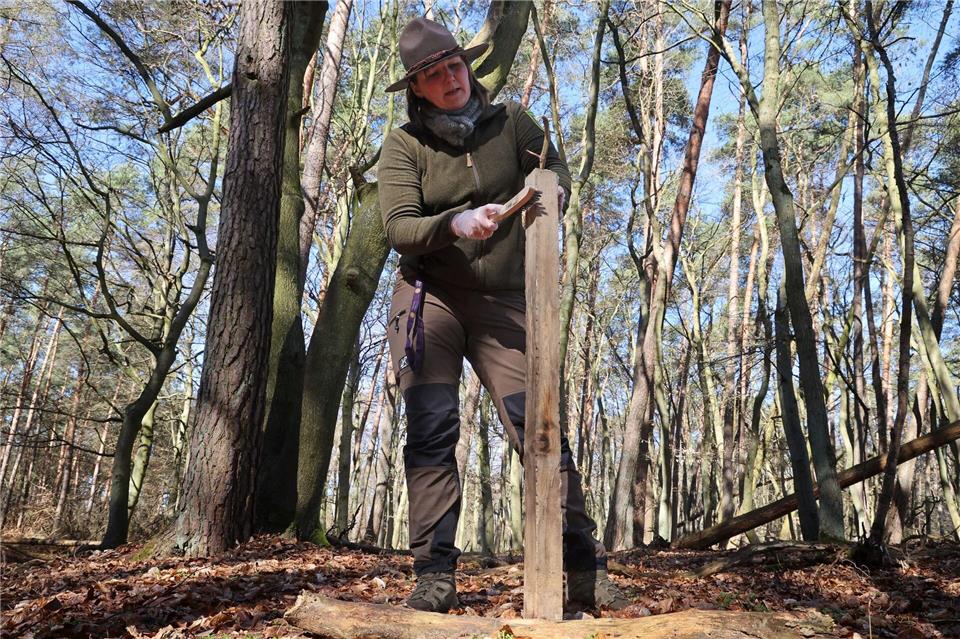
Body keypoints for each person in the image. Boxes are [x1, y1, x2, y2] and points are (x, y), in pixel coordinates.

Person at [378, 17, 630, 614]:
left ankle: (582, 569)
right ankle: (435, 577)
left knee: (538, 427)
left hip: (507, 302)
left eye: (454, 66)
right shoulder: (404, 145)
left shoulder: (513, 121)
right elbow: (399, 228)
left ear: (467, 67)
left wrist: (552, 191)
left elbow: (554, 169)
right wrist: (456, 222)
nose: (450, 80)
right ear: (416, 89)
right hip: (431, 298)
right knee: (432, 429)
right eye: (434, 75)